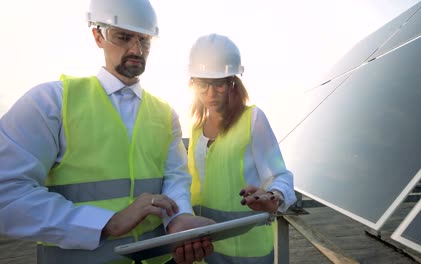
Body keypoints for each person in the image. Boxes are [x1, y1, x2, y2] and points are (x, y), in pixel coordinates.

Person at [0, 0, 215, 263]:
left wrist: (178, 218)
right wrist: (105, 223)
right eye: (123, 37)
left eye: (144, 40)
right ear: (98, 35)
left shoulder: (164, 113)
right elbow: (7, 194)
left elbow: (175, 178)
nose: (136, 49)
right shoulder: (50, 103)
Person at [186, 33, 297, 263]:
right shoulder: (196, 129)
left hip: (249, 253)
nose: (210, 93)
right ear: (193, 83)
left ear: (233, 84)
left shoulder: (253, 119)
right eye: (202, 84)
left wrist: (273, 196)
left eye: (219, 84)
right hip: (206, 250)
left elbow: (281, 176)